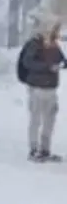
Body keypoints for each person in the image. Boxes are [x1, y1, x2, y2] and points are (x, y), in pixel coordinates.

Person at [17, 19, 66, 161]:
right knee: (36, 119)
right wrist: (48, 67)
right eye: (54, 30)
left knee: (49, 121)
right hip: (37, 87)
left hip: (51, 88)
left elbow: (62, 60)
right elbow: (28, 62)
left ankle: (45, 149)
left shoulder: (54, 46)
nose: (56, 33)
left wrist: (62, 64)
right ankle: (33, 149)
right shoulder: (34, 44)